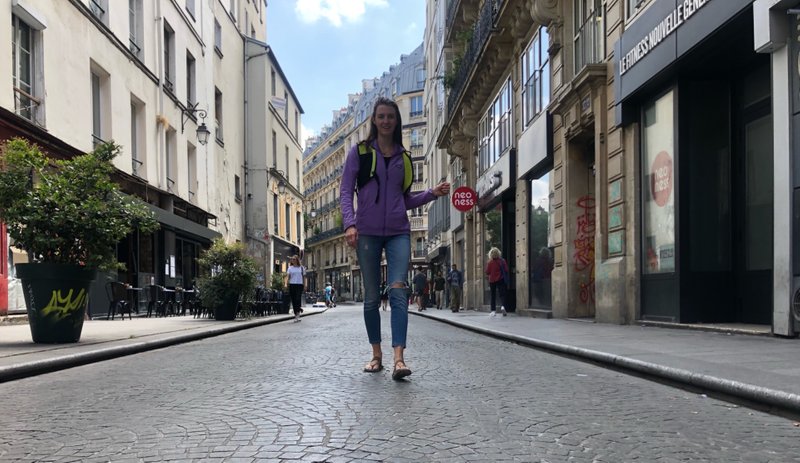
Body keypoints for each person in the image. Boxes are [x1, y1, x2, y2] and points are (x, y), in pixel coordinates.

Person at [340, 97, 450, 380]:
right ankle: (376, 356)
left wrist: (431, 193)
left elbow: (404, 199)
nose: (386, 121)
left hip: (400, 232)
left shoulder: (404, 157)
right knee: (372, 297)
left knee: (399, 290)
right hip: (367, 233)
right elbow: (345, 192)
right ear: (374, 121)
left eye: (390, 116)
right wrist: (350, 224)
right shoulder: (360, 153)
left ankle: (399, 359)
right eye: (381, 116)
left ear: (396, 121)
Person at [485, 247, 509, 317]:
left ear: (491, 254)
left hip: (492, 280)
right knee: (502, 294)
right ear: (498, 253)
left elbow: (487, 272)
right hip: (500, 279)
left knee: (493, 296)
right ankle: (503, 306)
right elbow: (506, 270)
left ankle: (493, 311)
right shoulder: (502, 261)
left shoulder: (490, 262)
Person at [284, 255, 305, 322]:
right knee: (293, 300)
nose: (292, 260)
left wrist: (305, 285)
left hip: (299, 285)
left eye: (294, 259)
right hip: (292, 285)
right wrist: (285, 283)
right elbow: (287, 276)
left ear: (297, 260)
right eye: (292, 259)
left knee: (298, 299)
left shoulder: (301, 268)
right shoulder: (290, 268)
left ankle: (298, 313)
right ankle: (296, 315)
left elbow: (304, 277)